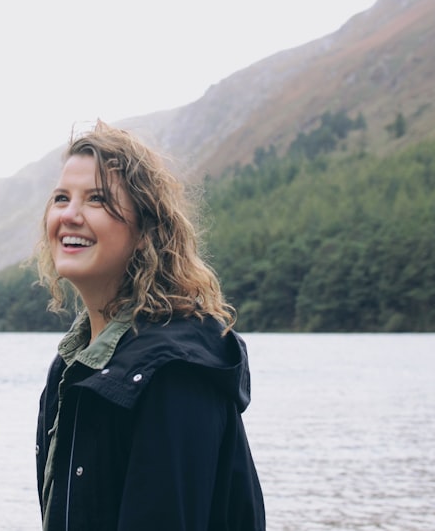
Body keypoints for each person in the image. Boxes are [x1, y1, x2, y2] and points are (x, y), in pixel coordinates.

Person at [34, 120, 266, 530]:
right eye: (61, 198)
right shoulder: (72, 367)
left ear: (144, 231)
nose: (69, 215)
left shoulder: (173, 371)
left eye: (96, 199)